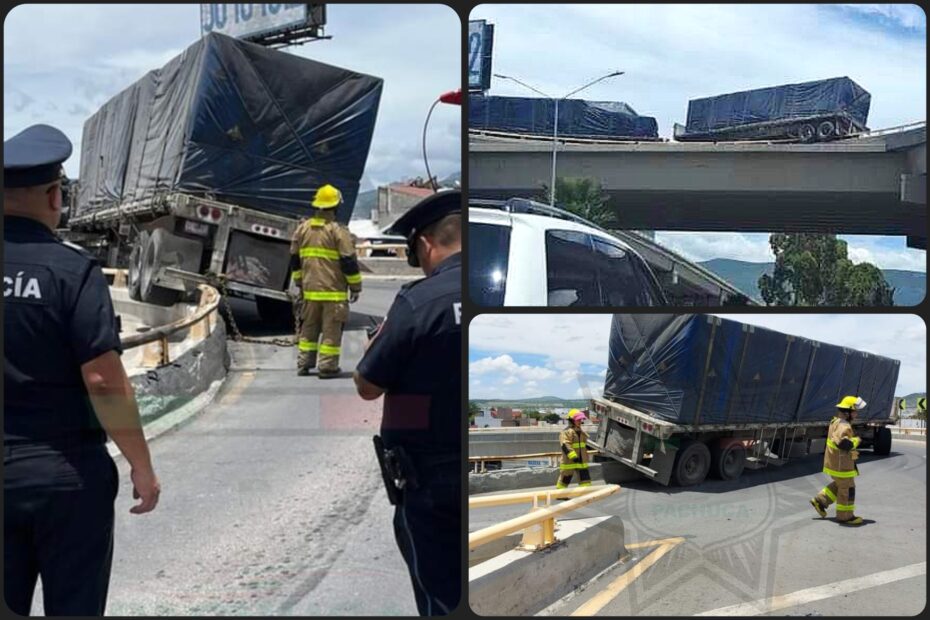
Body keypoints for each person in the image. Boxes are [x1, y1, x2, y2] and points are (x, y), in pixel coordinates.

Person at [4, 124, 161, 615]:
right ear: (55, 196)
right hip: (65, 474)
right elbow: (102, 378)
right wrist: (140, 463)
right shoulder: (72, 272)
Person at [353, 190, 461, 616]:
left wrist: (379, 340)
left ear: (425, 244)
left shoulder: (418, 302)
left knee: (441, 594)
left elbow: (367, 384)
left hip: (430, 481)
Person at [289, 183, 362, 378]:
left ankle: (304, 363)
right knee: (331, 330)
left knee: (309, 328)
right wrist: (355, 287)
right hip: (334, 293)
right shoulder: (338, 232)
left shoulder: (302, 229)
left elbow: (295, 260)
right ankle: (327, 367)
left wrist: (299, 283)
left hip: (310, 292)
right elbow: (348, 262)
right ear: (336, 207)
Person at [810, 396, 866, 526]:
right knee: (847, 488)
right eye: (855, 411)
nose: (856, 414)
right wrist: (856, 440)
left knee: (840, 485)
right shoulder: (844, 425)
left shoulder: (835, 421)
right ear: (847, 412)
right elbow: (842, 443)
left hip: (836, 463)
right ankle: (845, 516)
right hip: (842, 466)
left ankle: (820, 501)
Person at [557, 409, 592, 489]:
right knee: (565, 480)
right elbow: (565, 445)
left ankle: (586, 494)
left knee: (585, 479)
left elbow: (582, 444)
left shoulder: (580, 431)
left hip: (581, 461)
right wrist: (573, 456)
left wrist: (588, 448)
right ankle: (560, 494)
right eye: (578, 420)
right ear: (572, 420)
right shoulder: (566, 432)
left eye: (581, 419)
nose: (580, 421)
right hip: (569, 461)